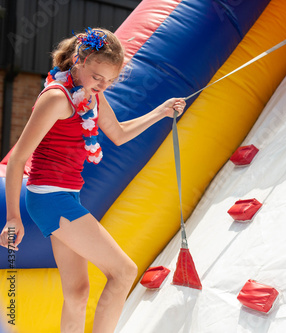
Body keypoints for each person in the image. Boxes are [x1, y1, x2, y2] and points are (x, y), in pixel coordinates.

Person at [0, 27, 186, 332]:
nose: (102, 86)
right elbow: (19, 157)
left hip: (67, 194)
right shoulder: (57, 98)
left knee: (77, 292)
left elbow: (119, 134)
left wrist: (161, 112)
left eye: (110, 81)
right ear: (80, 59)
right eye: (98, 77)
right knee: (124, 272)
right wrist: (12, 218)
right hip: (49, 197)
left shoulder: (92, 96)